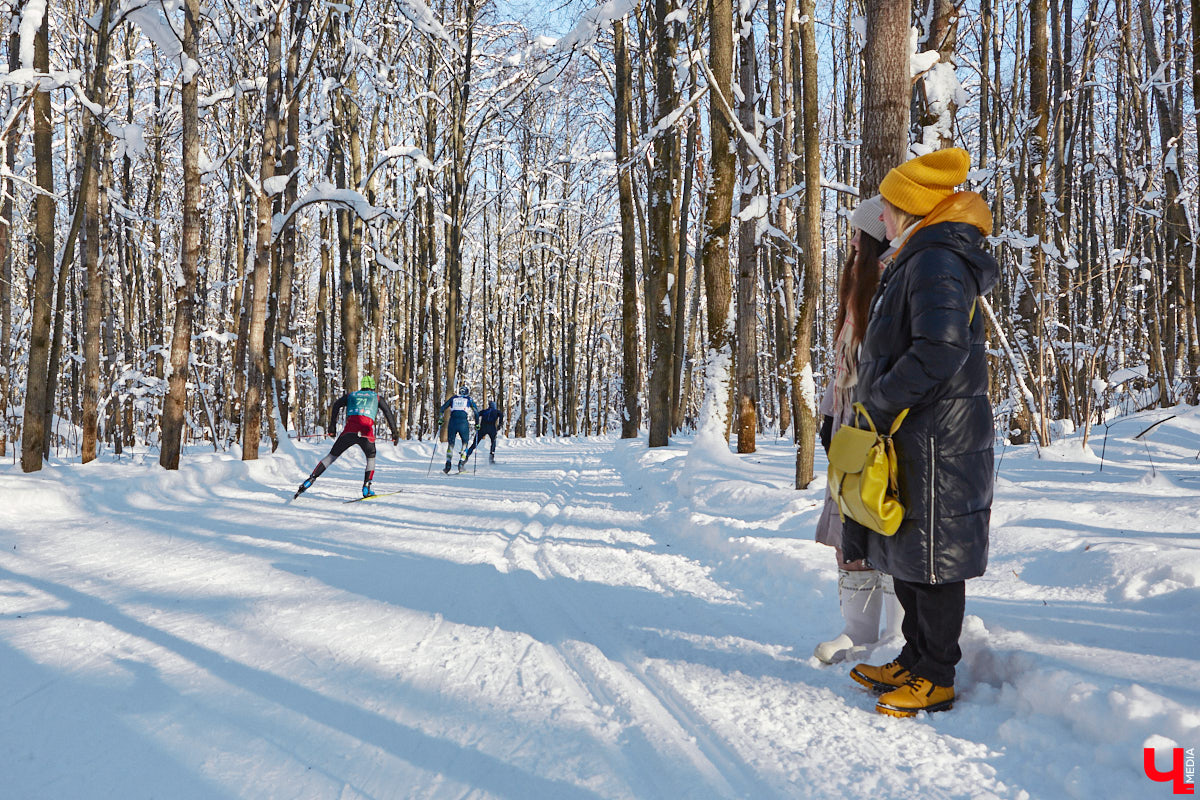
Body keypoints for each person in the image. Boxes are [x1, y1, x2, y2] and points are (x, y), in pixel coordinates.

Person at [842, 147, 998, 717]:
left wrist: (880, 402)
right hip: (917, 435)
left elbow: (941, 347)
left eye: (886, 208)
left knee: (933, 561)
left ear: (908, 211)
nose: (879, 219)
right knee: (911, 554)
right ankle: (913, 658)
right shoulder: (920, 257)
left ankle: (937, 675)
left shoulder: (936, 261)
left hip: (937, 438)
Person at [812, 195, 904, 665]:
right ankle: (857, 630)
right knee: (849, 523)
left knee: (881, 519)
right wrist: (829, 416)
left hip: (880, 428)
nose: (850, 243)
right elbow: (841, 366)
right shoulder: (859, 285)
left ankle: (895, 635)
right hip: (849, 424)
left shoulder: (894, 280)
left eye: (856, 235)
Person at [294, 376, 399, 499]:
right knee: (371, 458)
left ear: (362, 386)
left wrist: (332, 427)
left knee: (331, 456)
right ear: (372, 387)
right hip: (366, 433)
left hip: (349, 432)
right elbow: (388, 414)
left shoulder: (351, 395)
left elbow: (336, 405)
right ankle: (366, 487)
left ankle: (310, 479)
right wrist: (394, 433)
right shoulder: (377, 397)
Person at [438, 385, 479, 474]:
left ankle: (447, 466)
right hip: (463, 423)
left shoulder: (453, 399)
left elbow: (442, 408)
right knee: (465, 443)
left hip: (452, 422)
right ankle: (461, 465)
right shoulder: (469, 399)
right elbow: (476, 412)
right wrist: (477, 424)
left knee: (451, 444)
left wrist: (441, 419)